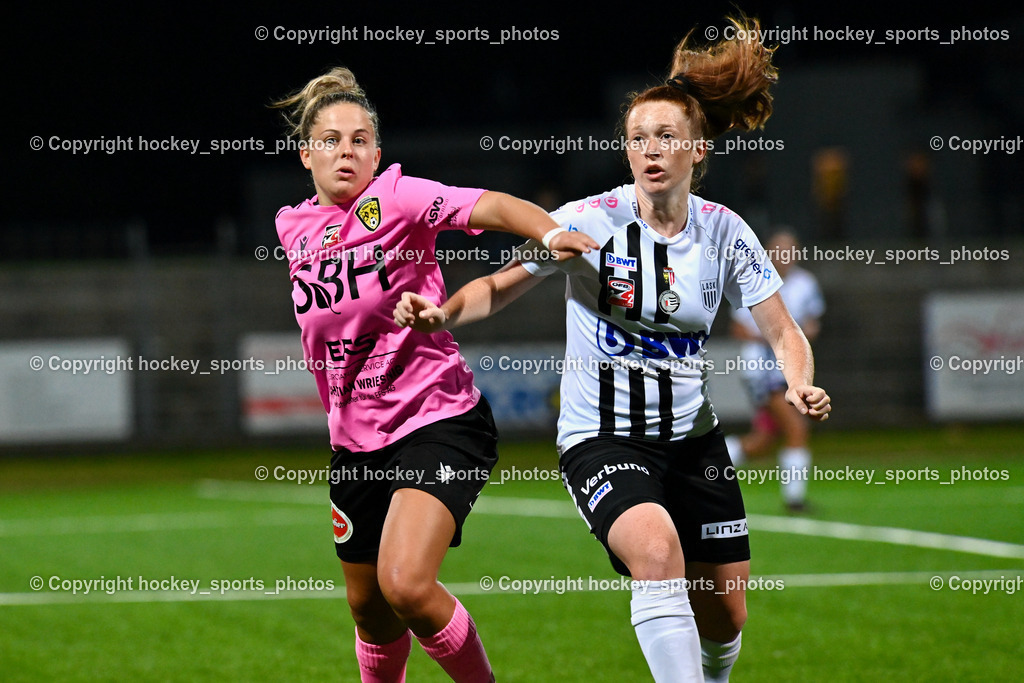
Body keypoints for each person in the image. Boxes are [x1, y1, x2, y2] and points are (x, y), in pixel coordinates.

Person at [394, 15, 830, 682]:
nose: (650, 149)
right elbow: (498, 287)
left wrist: (799, 379)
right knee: (656, 552)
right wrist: (441, 312)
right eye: (637, 138)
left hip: (693, 440)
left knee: (726, 616)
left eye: (666, 137)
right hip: (602, 438)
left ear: (698, 150)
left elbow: (782, 329)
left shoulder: (726, 233)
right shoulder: (587, 219)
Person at [272, 66, 597, 683]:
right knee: (369, 610)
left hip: (438, 420)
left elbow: (492, 205)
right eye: (332, 139)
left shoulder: (395, 197)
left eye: (361, 139)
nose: (348, 150)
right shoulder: (292, 227)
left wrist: (549, 230)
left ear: (377, 153)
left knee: (407, 585)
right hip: (354, 441)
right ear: (305, 153)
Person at [724, 230, 826, 512]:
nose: (785, 256)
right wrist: (778, 338)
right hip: (762, 368)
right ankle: (795, 500)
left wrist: (797, 340)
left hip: (788, 368)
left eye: (790, 250)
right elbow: (739, 327)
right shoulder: (755, 278)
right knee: (796, 427)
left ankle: (704, 463)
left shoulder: (806, 283)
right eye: (779, 250)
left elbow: (812, 323)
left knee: (762, 442)